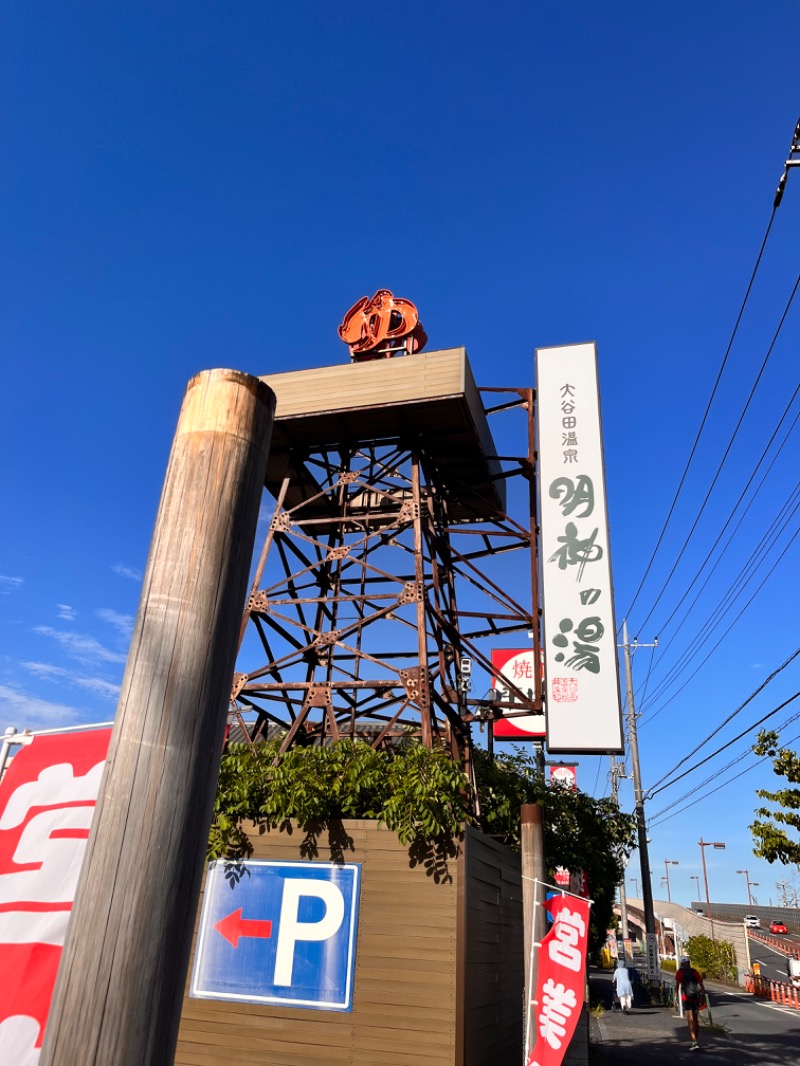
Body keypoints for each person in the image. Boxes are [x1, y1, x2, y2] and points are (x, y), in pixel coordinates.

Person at [675, 955, 706, 1050]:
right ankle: (695, 1039)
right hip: (696, 997)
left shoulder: (680, 973)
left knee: (690, 1019)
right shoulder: (694, 972)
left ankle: (693, 1041)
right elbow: (701, 985)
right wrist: (703, 997)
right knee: (695, 1019)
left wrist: (675, 997)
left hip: (686, 997)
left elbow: (677, 986)